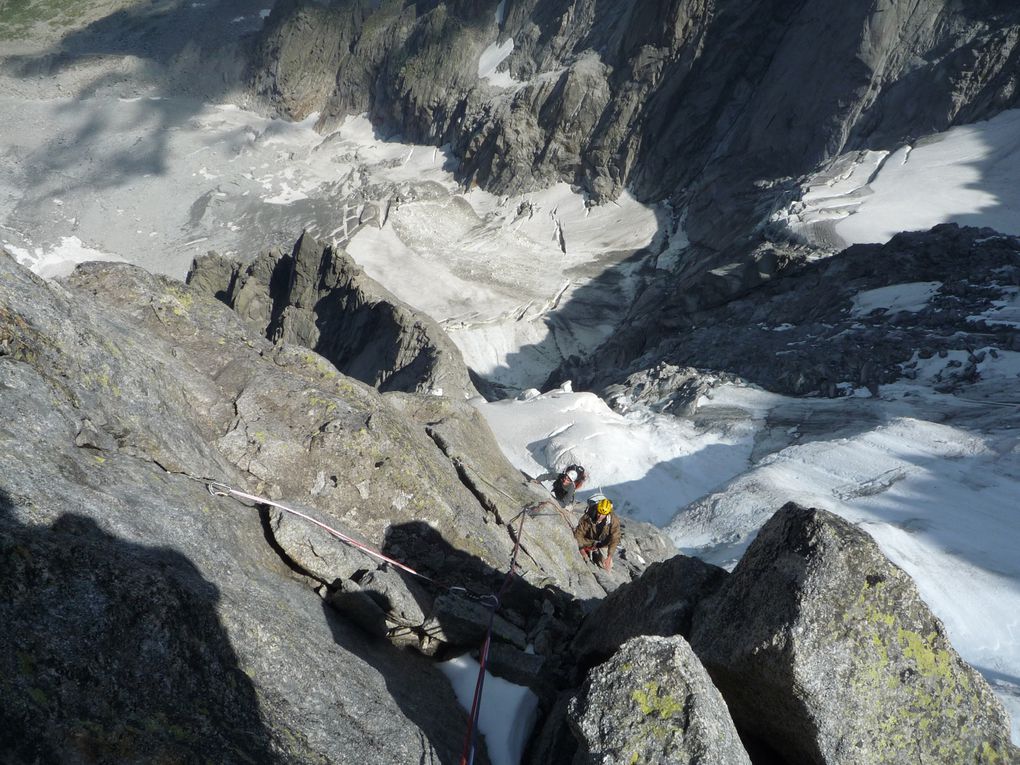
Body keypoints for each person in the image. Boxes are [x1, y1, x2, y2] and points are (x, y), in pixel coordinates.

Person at [573, 494, 620, 571]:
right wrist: (582, 550)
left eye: (603, 514)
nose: (600, 516)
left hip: (603, 544)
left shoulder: (613, 520)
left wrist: (609, 556)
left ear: (607, 513)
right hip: (588, 541)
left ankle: (596, 554)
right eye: (599, 513)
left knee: (606, 566)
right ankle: (589, 551)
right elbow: (579, 534)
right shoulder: (588, 517)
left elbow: (615, 538)